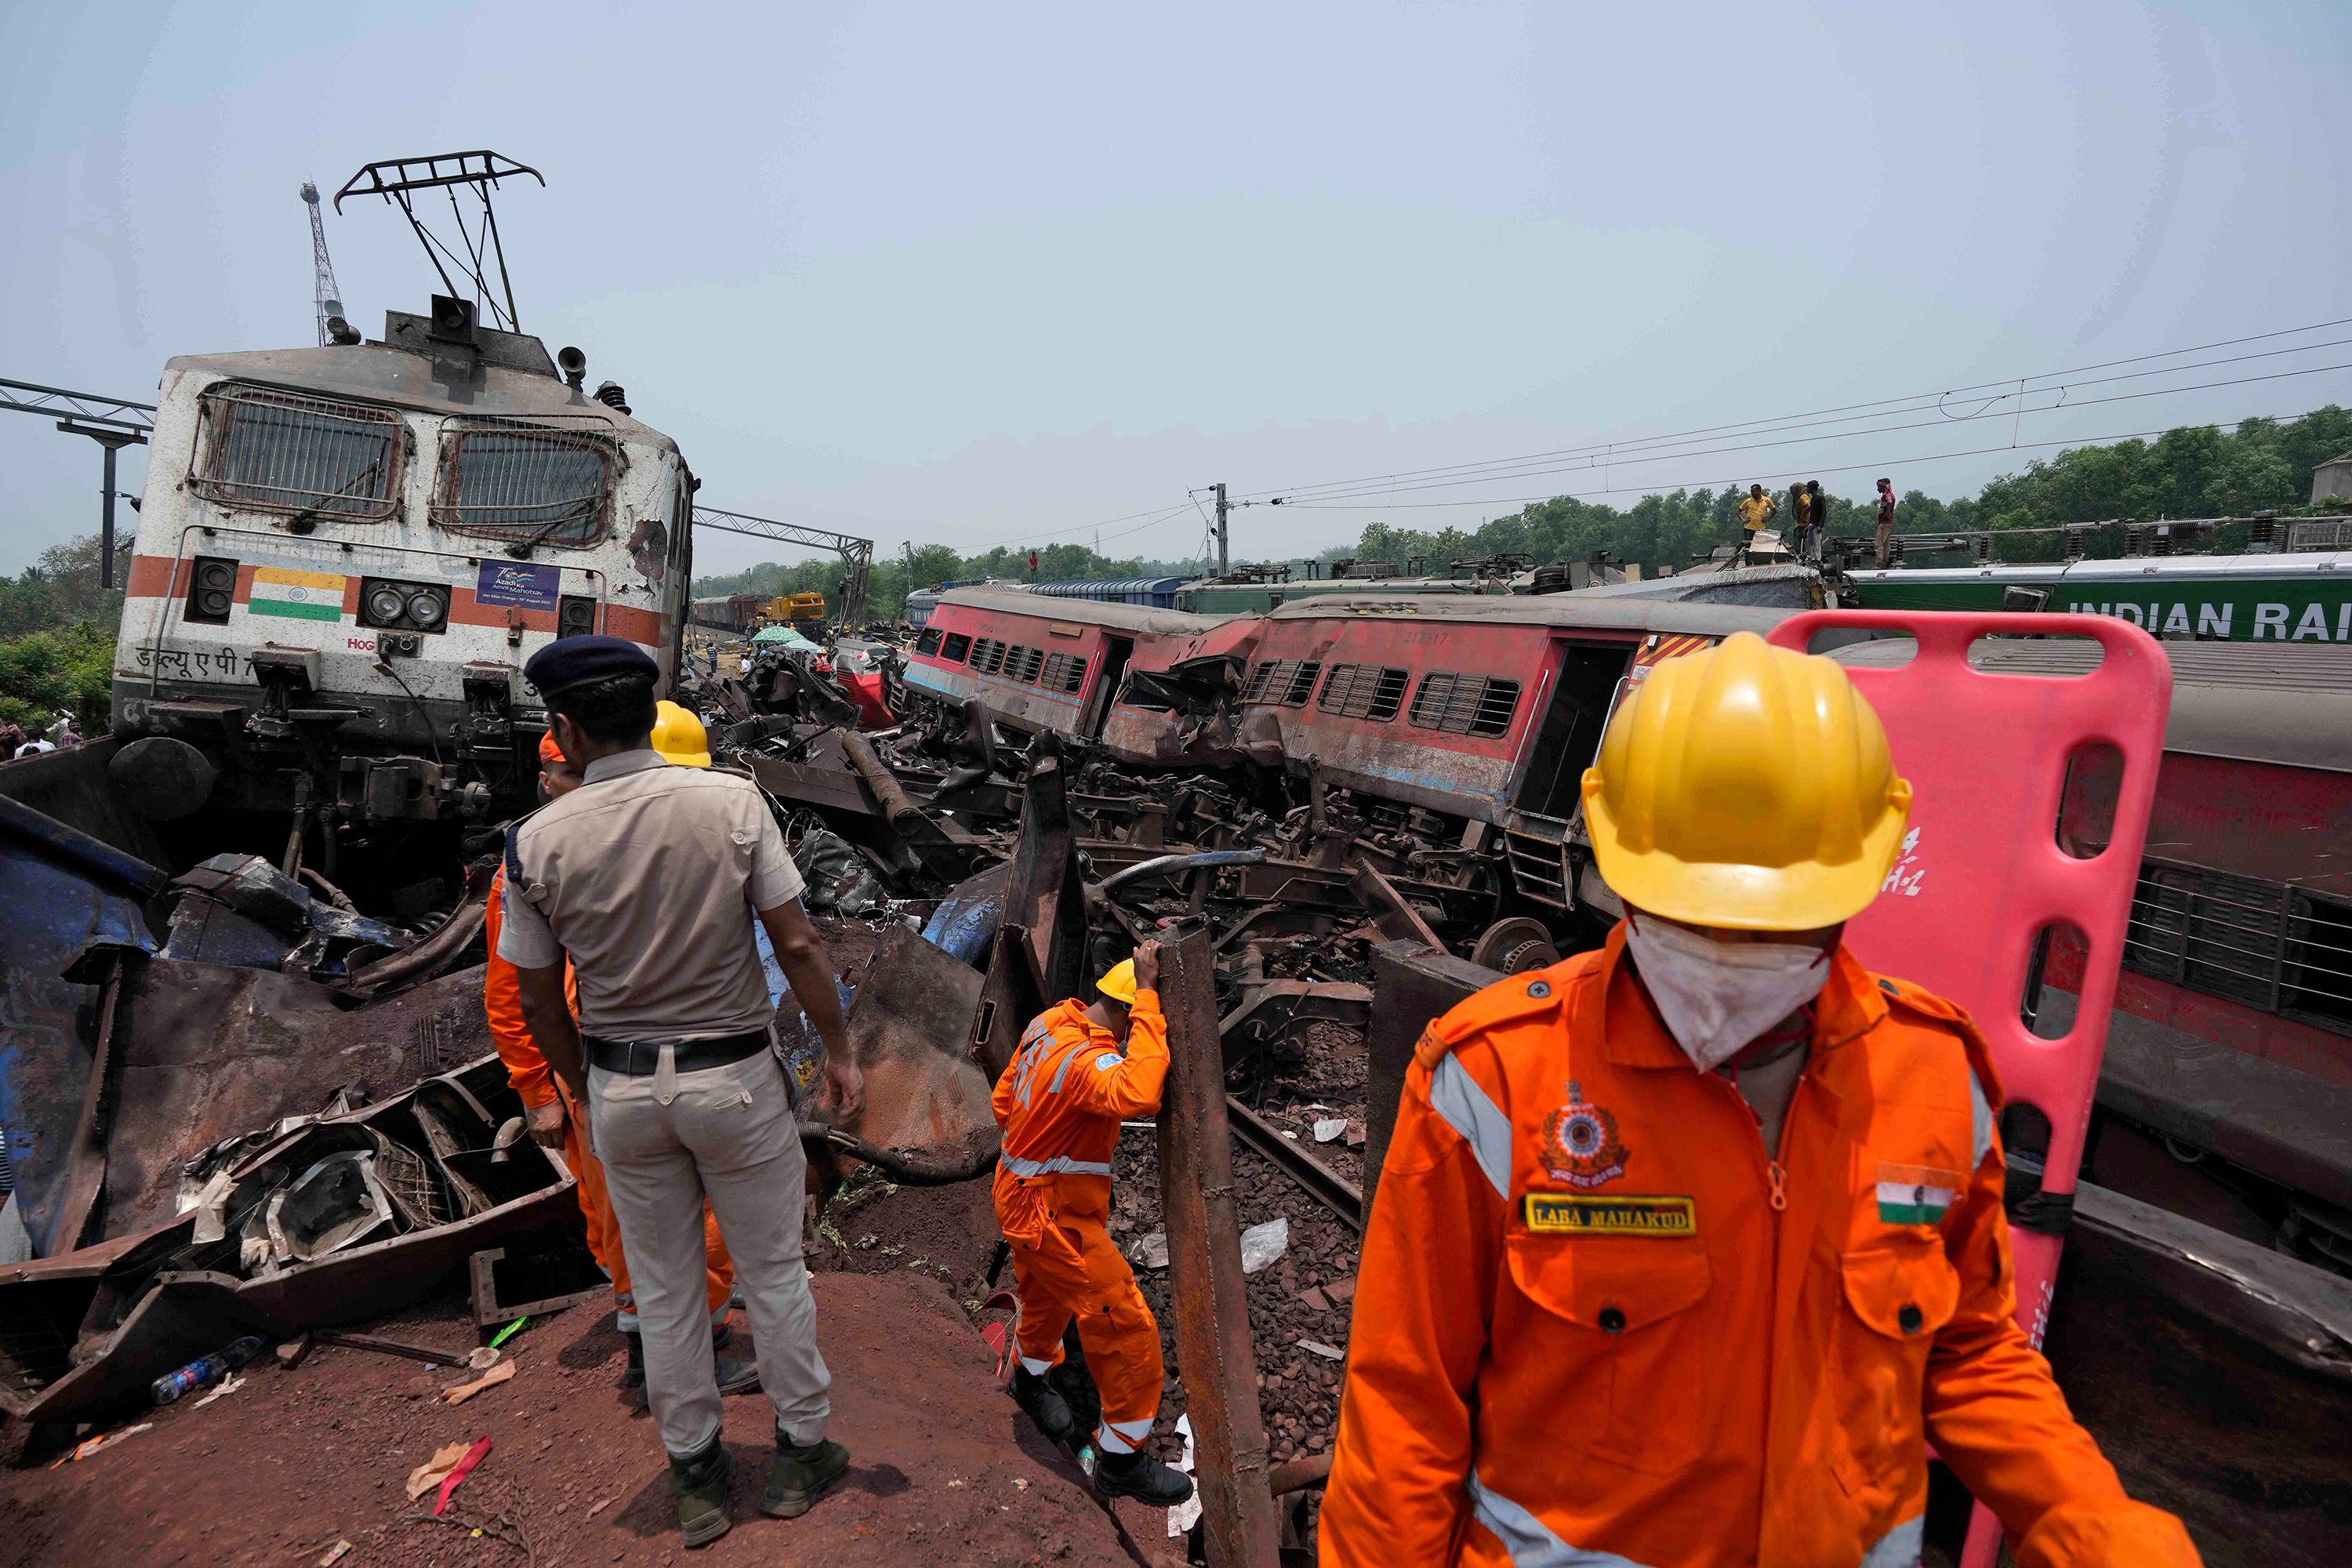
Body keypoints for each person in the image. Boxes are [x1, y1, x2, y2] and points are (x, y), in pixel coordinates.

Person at [1322, 632, 2199, 1568]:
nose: (1731, 952)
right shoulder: (1498, 1076)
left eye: (1776, 921)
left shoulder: (1936, 1077)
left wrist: (2093, 1523)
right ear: (1615, 866)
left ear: (1869, 869)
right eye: (1692, 911)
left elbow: (1969, 1348)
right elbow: (1405, 1406)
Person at [501, 637, 865, 1548]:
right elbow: (801, 945)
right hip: (735, 1080)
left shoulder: (536, 841)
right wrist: (842, 1051)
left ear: (567, 729)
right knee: (774, 1271)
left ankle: (697, 1475)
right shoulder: (732, 802)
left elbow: (537, 992)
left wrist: (581, 1083)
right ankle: (801, 1451)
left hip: (624, 1089)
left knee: (662, 1291)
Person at [484, 724, 750, 1399]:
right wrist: (540, 1090)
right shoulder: (538, 862)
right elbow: (515, 996)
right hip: (609, 1068)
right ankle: (689, 1351)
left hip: (634, 1063)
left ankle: (656, 1338)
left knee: (636, 1216)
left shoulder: (652, 846)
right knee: (663, 1216)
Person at [993, 944, 1195, 1506]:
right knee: (1124, 1326)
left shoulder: (1050, 1023)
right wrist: (1153, 1005)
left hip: (1019, 1196)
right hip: (1051, 1215)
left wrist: (1049, 1142)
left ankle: (1029, 1381)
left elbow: (1003, 1101)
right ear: (1130, 1013)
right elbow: (1139, 1092)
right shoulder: (1086, 1063)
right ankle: (1122, 1461)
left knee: (1046, 1301)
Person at [1735, 484, 1777, 564]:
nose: (1752, 493)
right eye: (1751, 492)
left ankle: (1760, 562)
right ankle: (1748, 563)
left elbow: (1774, 511)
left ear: (1759, 491)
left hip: (1761, 529)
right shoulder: (1748, 501)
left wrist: (1767, 518)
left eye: (1753, 491)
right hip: (1749, 529)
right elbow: (1738, 512)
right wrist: (1743, 520)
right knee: (1748, 547)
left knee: (1760, 547)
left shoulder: (1766, 500)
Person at [1876, 475, 1900, 568]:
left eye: (1879, 487)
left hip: (1884, 523)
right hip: (1887, 524)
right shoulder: (1888, 495)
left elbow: (1889, 502)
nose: (1878, 489)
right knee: (1886, 545)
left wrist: (1887, 513)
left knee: (1879, 544)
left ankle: (1879, 564)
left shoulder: (1888, 495)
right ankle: (1884, 563)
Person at [1803, 477, 1828, 561]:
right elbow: (1812, 514)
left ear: (1812, 488)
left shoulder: (1820, 498)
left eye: (1808, 487)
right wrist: (1807, 526)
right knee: (1811, 544)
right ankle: (1813, 558)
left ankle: (1818, 559)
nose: (1807, 489)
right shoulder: (1812, 499)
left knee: (1817, 544)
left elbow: (1824, 512)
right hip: (1811, 525)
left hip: (1817, 526)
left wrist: (1821, 526)